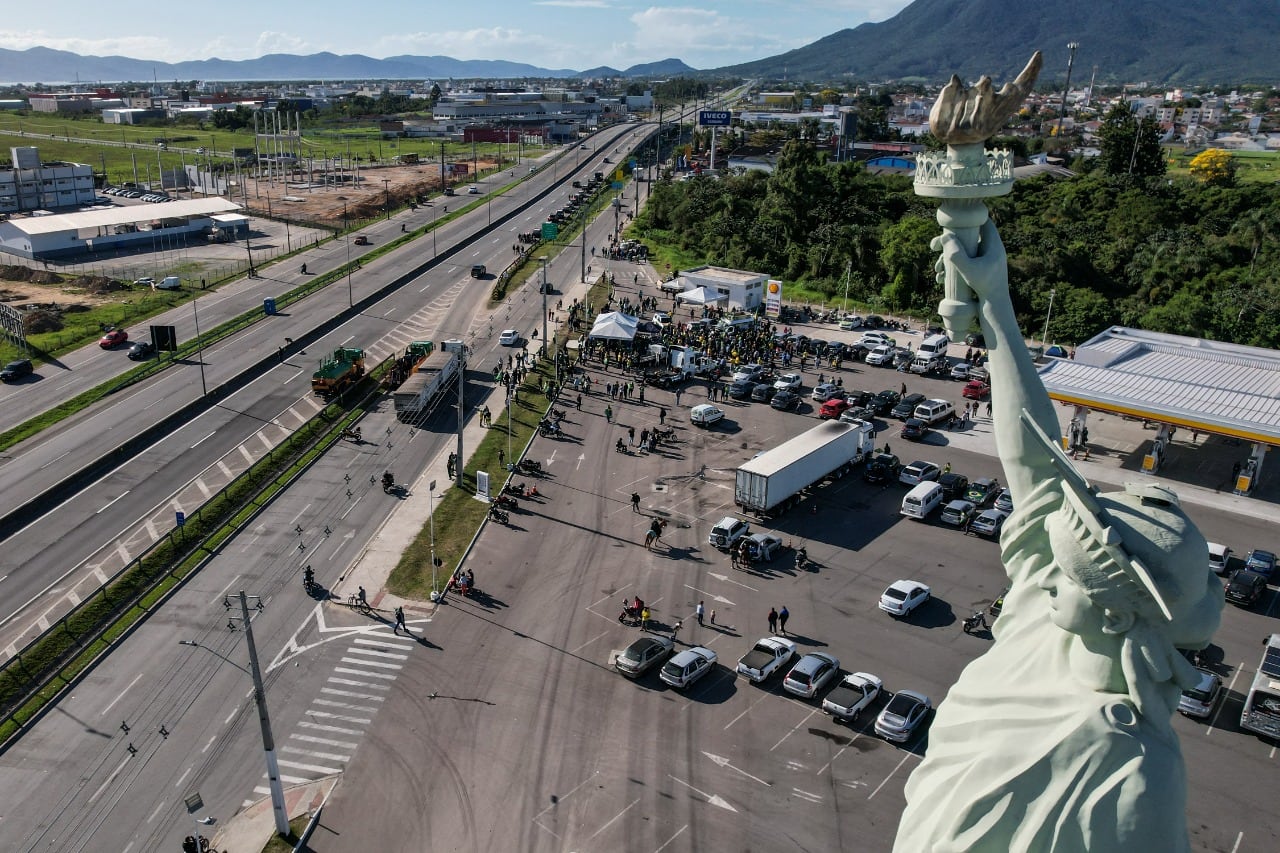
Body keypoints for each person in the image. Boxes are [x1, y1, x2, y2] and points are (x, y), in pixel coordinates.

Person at [894, 212, 1221, 851]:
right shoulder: (1049, 621)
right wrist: (996, 302)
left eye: (1067, 573)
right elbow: (1036, 459)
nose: (1049, 579)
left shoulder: (1136, 774)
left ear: (1116, 615)